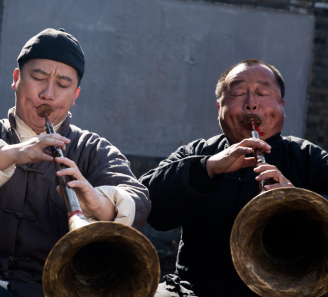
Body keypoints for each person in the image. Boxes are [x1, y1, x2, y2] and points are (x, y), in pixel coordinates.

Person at [0, 28, 150, 297]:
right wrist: (13, 154)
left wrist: (97, 202)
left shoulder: (93, 148)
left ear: (75, 94)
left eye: (63, 85)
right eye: (39, 78)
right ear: (16, 79)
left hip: (58, 288)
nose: (48, 93)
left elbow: (139, 199)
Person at [139, 59, 328, 297]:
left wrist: (298, 200)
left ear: (282, 106)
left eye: (263, 93)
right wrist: (208, 168)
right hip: (194, 290)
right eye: (238, 94)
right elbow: (147, 205)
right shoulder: (196, 152)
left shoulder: (309, 157)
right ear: (219, 107)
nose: (251, 104)